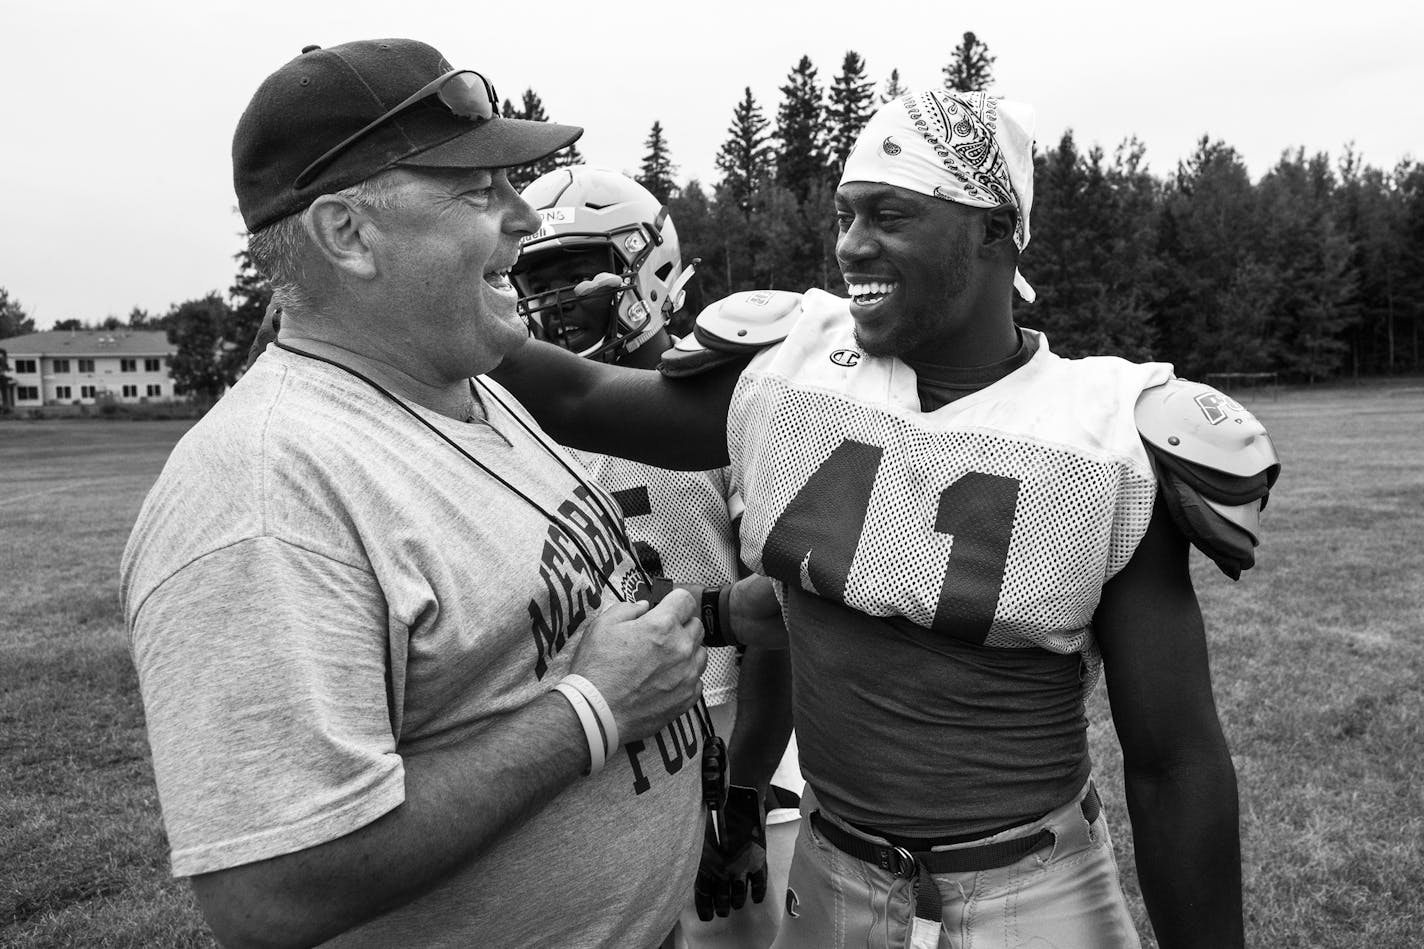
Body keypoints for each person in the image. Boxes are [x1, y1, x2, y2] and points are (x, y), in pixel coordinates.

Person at [490, 88, 1279, 949]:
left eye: (891, 215)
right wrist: (427, 280)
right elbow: (577, 394)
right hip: (831, 878)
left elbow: (1174, 765)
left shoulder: (1107, 438)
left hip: (1033, 889)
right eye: (846, 214)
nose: (852, 245)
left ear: (994, 229)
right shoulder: (793, 372)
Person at [120, 38, 781, 949]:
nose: (522, 219)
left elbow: (526, 623)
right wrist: (591, 712)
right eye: (479, 191)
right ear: (347, 234)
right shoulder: (264, 494)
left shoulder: (475, 382)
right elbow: (269, 890)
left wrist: (711, 613)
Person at [510, 165, 801, 949]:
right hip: (600, 738)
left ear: (651, 267)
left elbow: (779, 621)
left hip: (733, 727)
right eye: (536, 279)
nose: (554, 300)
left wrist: (741, 795)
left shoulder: (729, 403)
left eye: (575, 272)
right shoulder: (520, 423)